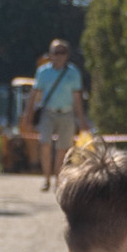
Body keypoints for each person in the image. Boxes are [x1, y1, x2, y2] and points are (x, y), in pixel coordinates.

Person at [35, 40, 91, 192]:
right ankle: (46, 178)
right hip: (48, 112)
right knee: (44, 144)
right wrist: (28, 116)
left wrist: (82, 120)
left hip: (67, 113)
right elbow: (36, 94)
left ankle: (57, 179)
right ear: (50, 54)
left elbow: (77, 99)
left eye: (62, 52)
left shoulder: (74, 73)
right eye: (55, 52)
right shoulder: (42, 72)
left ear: (67, 55)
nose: (59, 56)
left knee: (63, 149)